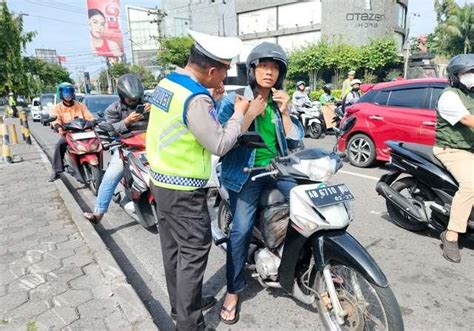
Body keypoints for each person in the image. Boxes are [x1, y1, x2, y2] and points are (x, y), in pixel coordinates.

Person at [146, 29, 254, 330]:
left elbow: (186, 125)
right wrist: (239, 114)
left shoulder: (169, 83)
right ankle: (190, 324)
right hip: (183, 189)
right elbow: (218, 143)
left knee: (174, 250)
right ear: (210, 70)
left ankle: (181, 306)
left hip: (161, 180)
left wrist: (213, 100)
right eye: (223, 72)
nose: (224, 79)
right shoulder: (195, 99)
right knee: (194, 250)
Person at [217, 42, 304, 324]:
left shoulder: (280, 102)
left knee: (307, 207)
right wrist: (249, 113)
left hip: (277, 170)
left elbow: (295, 140)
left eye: (275, 67)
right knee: (240, 230)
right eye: (264, 66)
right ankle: (233, 291)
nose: (269, 72)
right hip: (246, 173)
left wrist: (287, 112)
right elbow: (221, 141)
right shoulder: (235, 100)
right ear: (252, 69)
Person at [83, 74, 149, 223]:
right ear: (122, 95)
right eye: (130, 99)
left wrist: (154, 111)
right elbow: (111, 129)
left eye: (137, 99)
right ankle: (98, 213)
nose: (134, 102)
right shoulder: (113, 109)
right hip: (126, 148)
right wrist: (127, 121)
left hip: (151, 147)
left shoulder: (149, 105)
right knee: (110, 177)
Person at [433, 53, 474, 263]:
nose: (473, 76)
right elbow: (468, 119)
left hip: (469, 149)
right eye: (469, 72)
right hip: (452, 149)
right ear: (456, 75)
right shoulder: (449, 96)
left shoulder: (472, 94)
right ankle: (451, 234)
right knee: (471, 185)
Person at [48, 84, 94, 182]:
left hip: (83, 132)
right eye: (65, 93)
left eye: (69, 93)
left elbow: (89, 116)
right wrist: (58, 126)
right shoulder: (57, 108)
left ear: (73, 94)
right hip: (69, 133)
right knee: (59, 146)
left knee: (98, 143)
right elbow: (55, 119)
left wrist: (93, 121)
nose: (68, 95)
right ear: (61, 94)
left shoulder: (80, 106)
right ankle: (57, 170)